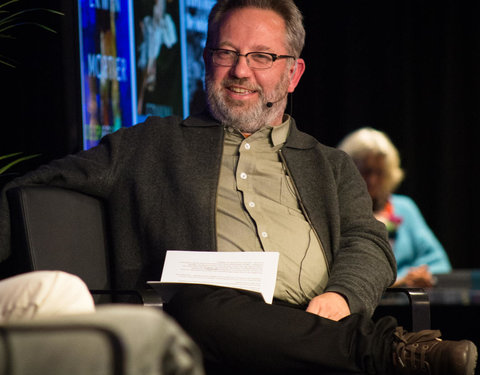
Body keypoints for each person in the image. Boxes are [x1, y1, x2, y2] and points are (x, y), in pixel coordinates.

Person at [0, 0, 476, 374]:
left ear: (294, 73)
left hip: (320, 319)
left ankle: (359, 350)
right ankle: (387, 353)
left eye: (262, 56)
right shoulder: (148, 145)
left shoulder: (330, 164)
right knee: (195, 299)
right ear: (207, 59)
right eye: (226, 52)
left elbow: (368, 241)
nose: (240, 71)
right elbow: (30, 191)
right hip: (206, 331)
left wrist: (343, 298)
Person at [338, 127, 452, 288]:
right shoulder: (338, 212)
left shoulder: (404, 208)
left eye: (380, 172)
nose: (373, 180)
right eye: (366, 171)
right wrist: (398, 283)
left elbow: (439, 263)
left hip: (404, 303)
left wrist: (417, 276)